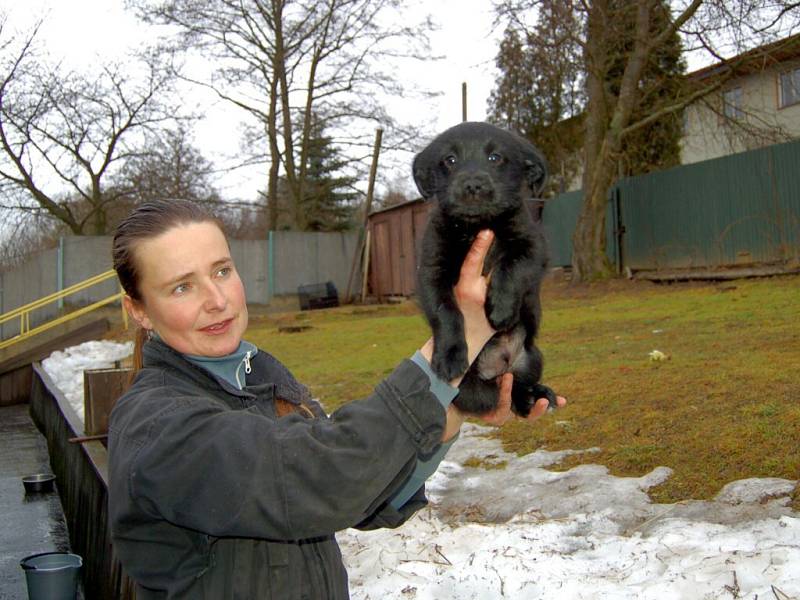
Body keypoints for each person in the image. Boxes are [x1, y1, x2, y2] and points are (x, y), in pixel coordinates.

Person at [107, 199, 565, 599]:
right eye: (182, 286)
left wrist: (451, 408)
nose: (217, 300)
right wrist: (453, 342)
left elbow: (361, 495)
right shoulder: (156, 425)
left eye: (222, 271)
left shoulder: (262, 377)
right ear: (139, 310)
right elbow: (320, 479)